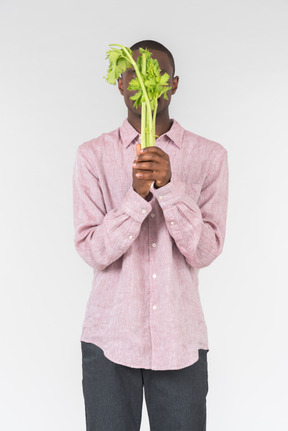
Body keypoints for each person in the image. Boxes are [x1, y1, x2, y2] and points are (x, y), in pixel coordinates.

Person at [73, 39, 229, 431]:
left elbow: (206, 250)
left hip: (180, 341)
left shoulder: (209, 156)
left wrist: (171, 187)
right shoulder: (92, 155)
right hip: (109, 340)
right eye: (135, 75)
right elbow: (92, 250)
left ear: (173, 85)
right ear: (120, 83)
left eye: (156, 76)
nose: (145, 85)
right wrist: (136, 197)